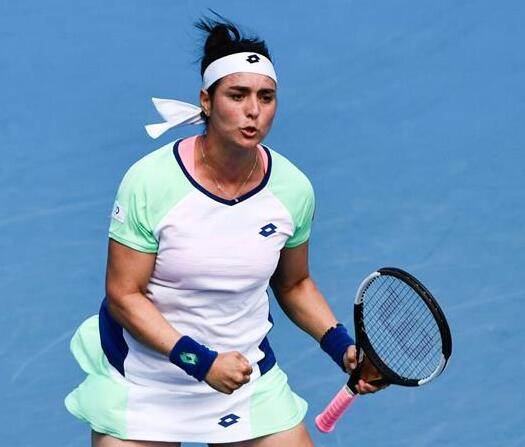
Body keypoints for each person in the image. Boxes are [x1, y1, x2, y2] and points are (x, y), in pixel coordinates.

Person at [64, 13, 384, 447]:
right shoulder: (150, 183)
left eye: (266, 97)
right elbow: (124, 296)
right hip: (147, 382)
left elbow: (294, 284)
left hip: (244, 378)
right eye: (237, 95)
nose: (253, 110)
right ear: (207, 101)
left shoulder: (292, 189)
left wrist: (341, 346)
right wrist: (201, 362)